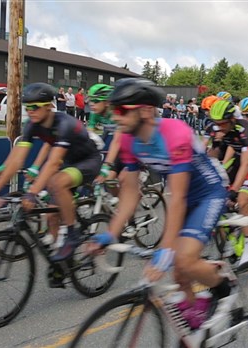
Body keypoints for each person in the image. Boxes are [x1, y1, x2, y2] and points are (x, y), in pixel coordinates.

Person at [89, 78, 233, 331]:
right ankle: (197, 329)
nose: (116, 118)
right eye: (114, 110)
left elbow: (175, 197)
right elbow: (130, 192)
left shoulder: (174, 132)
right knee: (179, 275)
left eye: (122, 110)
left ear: (145, 110)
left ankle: (225, 290)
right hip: (185, 196)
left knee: (184, 260)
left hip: (209, 192)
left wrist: (166, 249)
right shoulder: (127, 139)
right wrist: (110, 233)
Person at [0, 82, 101, 267]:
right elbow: (17, 158)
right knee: (50, 215)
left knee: (56, 182)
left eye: (35, 107)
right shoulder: (32, 125)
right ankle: (59, 263)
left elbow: (53, 162)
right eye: (28, 107)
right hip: (68, 163)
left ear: (49, 106)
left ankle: (73, 234)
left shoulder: (65, 124)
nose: (30, 111)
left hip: (87, 161)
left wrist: (32, 193)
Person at [207, 100, 248, 264]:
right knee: (217, 196)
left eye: (222, 124)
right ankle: (232, 233)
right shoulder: (219, 129)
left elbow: (246, 164)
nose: (219, 127)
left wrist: (234, 189)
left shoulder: (245, 129)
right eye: (216, 124)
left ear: (232, 119)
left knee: (241, 200)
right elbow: (211, 156)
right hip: (237, 155)